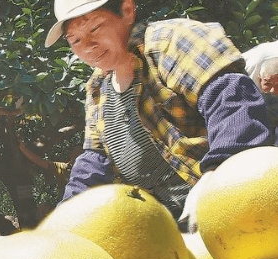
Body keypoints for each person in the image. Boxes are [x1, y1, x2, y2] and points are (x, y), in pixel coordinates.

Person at [45, 0, 277, 231]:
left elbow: (232, 100)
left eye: (94, 28)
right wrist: (61, 223)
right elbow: (94, 163)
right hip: (168, 229)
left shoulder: (172, 40)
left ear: (127, 11)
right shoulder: (97, 88)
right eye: (74, 40)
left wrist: (219, 175)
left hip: (234, 207)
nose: (87, 46)